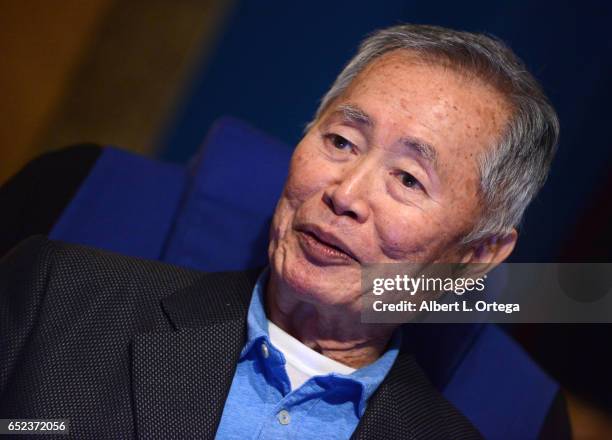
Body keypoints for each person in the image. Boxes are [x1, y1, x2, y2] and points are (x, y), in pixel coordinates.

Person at [0, 24, 568, 439]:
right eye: (341, 141)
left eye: (408, 179)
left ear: (477, 255)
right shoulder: (57, 297)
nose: (345, 194)